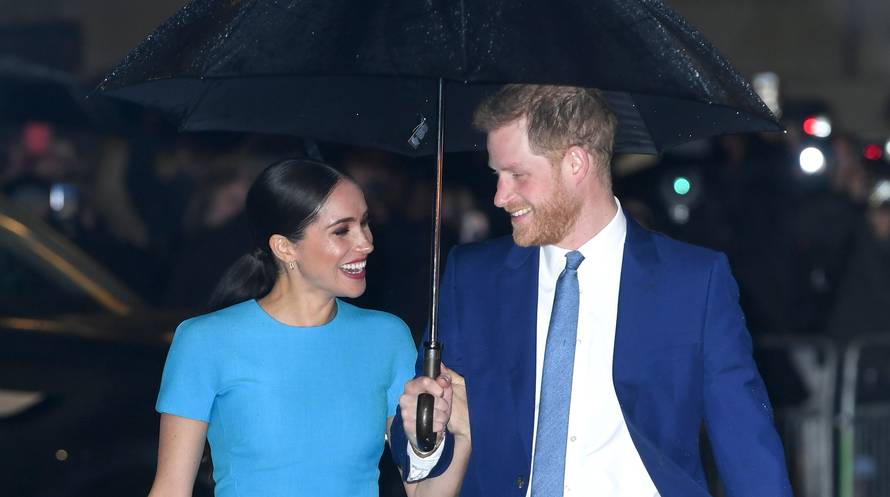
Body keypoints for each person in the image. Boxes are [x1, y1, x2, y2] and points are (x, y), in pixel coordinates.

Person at [390, 85, 793, 497]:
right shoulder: (472, 279)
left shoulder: (693, 281)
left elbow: (747, 446)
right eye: (497, 175)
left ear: (576, 163)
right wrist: (428, 434)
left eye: (517, 175)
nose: (499, 196)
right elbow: (420, 448)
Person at [147, 158, 468, 497]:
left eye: (364, 223)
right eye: (342, 230)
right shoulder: (205, 341)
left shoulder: (387, 337)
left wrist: (463, 434)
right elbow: (171, 489)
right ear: (285, 247)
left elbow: (420, 493)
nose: (366, 243)